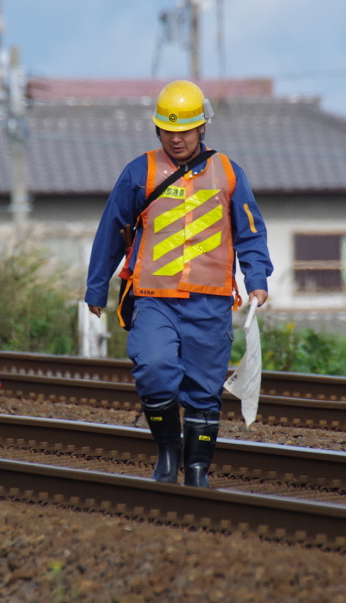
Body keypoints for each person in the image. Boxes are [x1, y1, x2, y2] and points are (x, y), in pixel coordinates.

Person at [85, 80, 273, 488]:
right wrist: (96, 287)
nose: (176, 137)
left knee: (205, 391)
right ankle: (168, 452)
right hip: (153, 299)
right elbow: (112, 230)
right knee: (154, 368)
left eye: (184, 130)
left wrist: (257, 278)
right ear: (157, 129)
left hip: (211, 301)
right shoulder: (140, 171)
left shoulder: (228, 171)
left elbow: (251, 232)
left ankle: (199, 471)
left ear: (202, 128)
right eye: (168, 130)